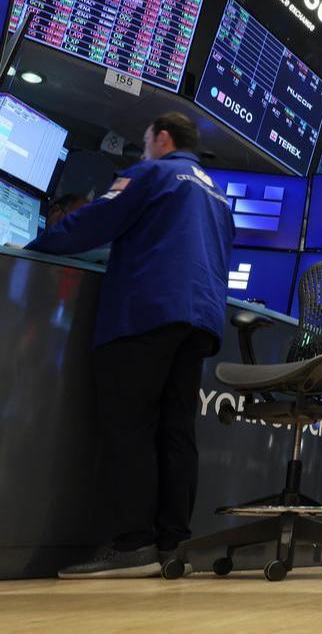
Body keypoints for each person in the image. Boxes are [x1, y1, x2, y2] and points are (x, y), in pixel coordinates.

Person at [25, 113, 234, 578]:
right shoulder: (216, 195)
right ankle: (172, 543)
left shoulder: (152, 173)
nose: (143, 151)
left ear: (161, 138)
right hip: (198, 321)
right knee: (177, 431)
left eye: (145, 143)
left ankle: (133, 543)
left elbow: (94, 222)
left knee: (132, 426)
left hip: (146, 312)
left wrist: (33, 244)